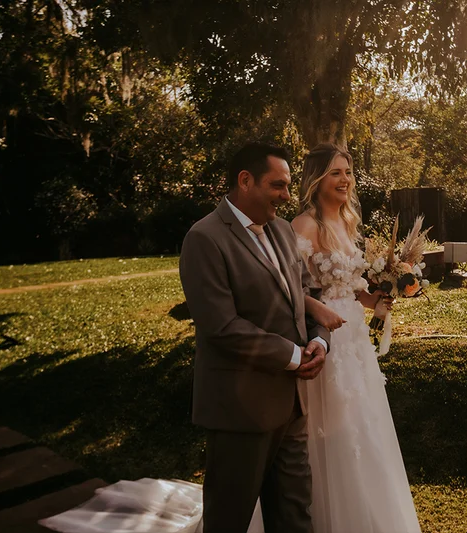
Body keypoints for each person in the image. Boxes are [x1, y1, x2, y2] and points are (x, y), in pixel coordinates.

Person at [39, 142, 330, 533]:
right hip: (240, 410)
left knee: (296, 516)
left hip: (291, 405)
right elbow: (221, 326)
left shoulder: (281, 229)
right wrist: (294, 356)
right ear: (245, 181)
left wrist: (319, 340)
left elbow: (306, 296)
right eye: (278, 185)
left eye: (288, 185)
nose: (287, 195)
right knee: (229, 520)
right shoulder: (205, 238)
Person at [290, 143, 422, 533]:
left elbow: (351, 288)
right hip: (324, 338)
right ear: (316, 179)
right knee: (334, 427)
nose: (345, 180)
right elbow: (288, 289)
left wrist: (376, 298)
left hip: (356, 340)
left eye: (347, 172)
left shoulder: (348, 222)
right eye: (335, 172)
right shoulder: (304, 226)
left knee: (363, 424)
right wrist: (318, 311)